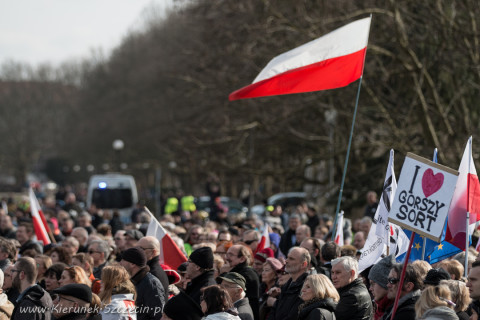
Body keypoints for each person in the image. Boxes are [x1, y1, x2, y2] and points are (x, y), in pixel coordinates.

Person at [120, 247, 165, 320]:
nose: (120, 262)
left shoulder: (151, 283)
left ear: (132, 264)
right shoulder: (131, 281)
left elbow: (158, 314)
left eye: (123, 260)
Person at [268, 247, 310, 320]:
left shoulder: (307, 286)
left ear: (303, 264)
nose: (286, 261)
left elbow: (295, 315)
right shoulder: (286, 285)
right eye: (287, 257)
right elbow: (275, 310)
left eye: (291, 259)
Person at [225, 245, 260, 320]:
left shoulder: (245, 274)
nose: (226, 258)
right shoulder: (242, 271)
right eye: (227, 254)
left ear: (242, 259)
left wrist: (224, 273)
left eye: (231, 255)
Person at [136, 236, 169, 301]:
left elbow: (154, 304)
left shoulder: (154, 274)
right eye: (136, 248)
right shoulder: (148, 270)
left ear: (153, 252)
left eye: (141, 249)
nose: (137, 251)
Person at [368, 255, 395, 320]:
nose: (370, 288)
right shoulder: (380, 308)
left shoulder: (397, 310)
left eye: (373, 284)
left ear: (386, 283)